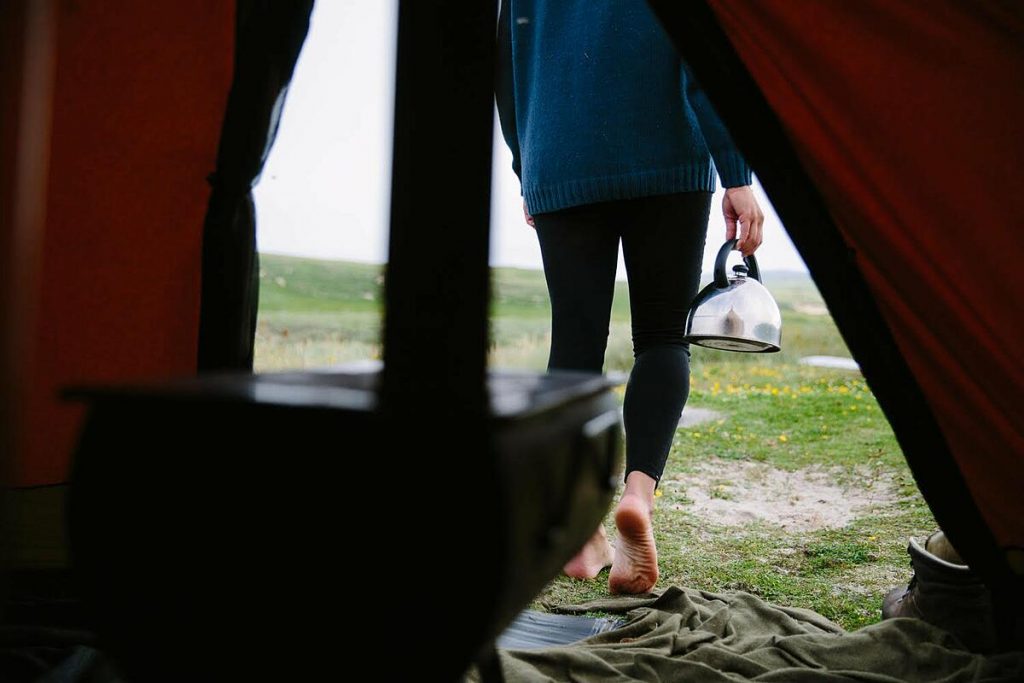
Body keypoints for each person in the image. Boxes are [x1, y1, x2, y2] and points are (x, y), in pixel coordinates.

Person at [495, 0, 764, 594]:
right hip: (665, 152)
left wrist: (528, 165)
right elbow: (703, 58)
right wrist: (737, 175)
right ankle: (637, 497)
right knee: (664, 336)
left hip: (560, 156)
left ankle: (580, 527)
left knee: (574, 343)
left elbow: (505, 67)